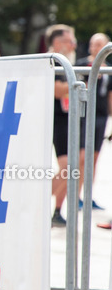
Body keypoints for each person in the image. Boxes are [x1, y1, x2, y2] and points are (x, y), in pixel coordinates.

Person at [48, 24, 83, 227]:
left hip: (69, 118)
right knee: (66, 166)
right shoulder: (51, 61)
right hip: (55, 119)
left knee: (73, 166)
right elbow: (57, 90)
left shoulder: (68, 64)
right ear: (57, 42)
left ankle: (57, 210)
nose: (74, 45)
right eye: (70, 41)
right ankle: (38, 203)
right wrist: (72, 87)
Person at [86, 33, 111, 212]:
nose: (97, 47)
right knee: (80, 157)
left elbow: (110, 97)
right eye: (94, 44)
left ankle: (88, 195)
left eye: (100, 44)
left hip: (101, 115)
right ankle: (77, 193)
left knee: (94, 157)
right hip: (83, 115)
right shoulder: (81, 64)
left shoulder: (109, 69)